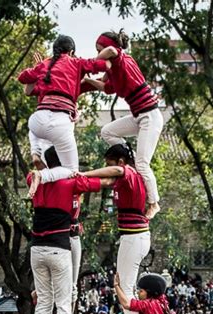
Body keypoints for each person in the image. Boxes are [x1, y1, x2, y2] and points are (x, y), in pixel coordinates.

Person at [26, 153, 108, 314]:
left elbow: (37, 162)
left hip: (37, 249)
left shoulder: (33, 178)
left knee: (44, 300)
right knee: (63, 302)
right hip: (59, 248)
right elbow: (104, 182)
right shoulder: (71, 182)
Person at [88, 29, 163, 218]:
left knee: (143, 165)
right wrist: (87, 79)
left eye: (100, 49)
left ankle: (154, 203)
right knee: (107, 131)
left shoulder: (122, 58)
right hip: (138, 116)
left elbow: (112, 52)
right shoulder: (115, 70)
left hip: (150, 117)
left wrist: (92, 64)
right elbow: (106, 87)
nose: (100, 54)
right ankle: (132, 158)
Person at [82, 147, 152, 314]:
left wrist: (81, 173)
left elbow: (115, 172)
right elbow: (105, 180)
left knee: (124, 289)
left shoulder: (128, 172)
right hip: (133, 237)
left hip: (134, 237)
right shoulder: (123, 180)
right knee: (123, 287)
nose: (107, 168)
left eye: (110, 164)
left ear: (121, 162)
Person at [18, 35, 109, 170]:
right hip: (61, 124)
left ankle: (35, 154)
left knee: (47, 166)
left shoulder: (46, 68)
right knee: (71, 172)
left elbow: (26, 86)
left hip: (38, 121)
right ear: (72, 52)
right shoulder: (76, 64)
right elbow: (103, 68)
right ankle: (43, 166)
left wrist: (37, 70)